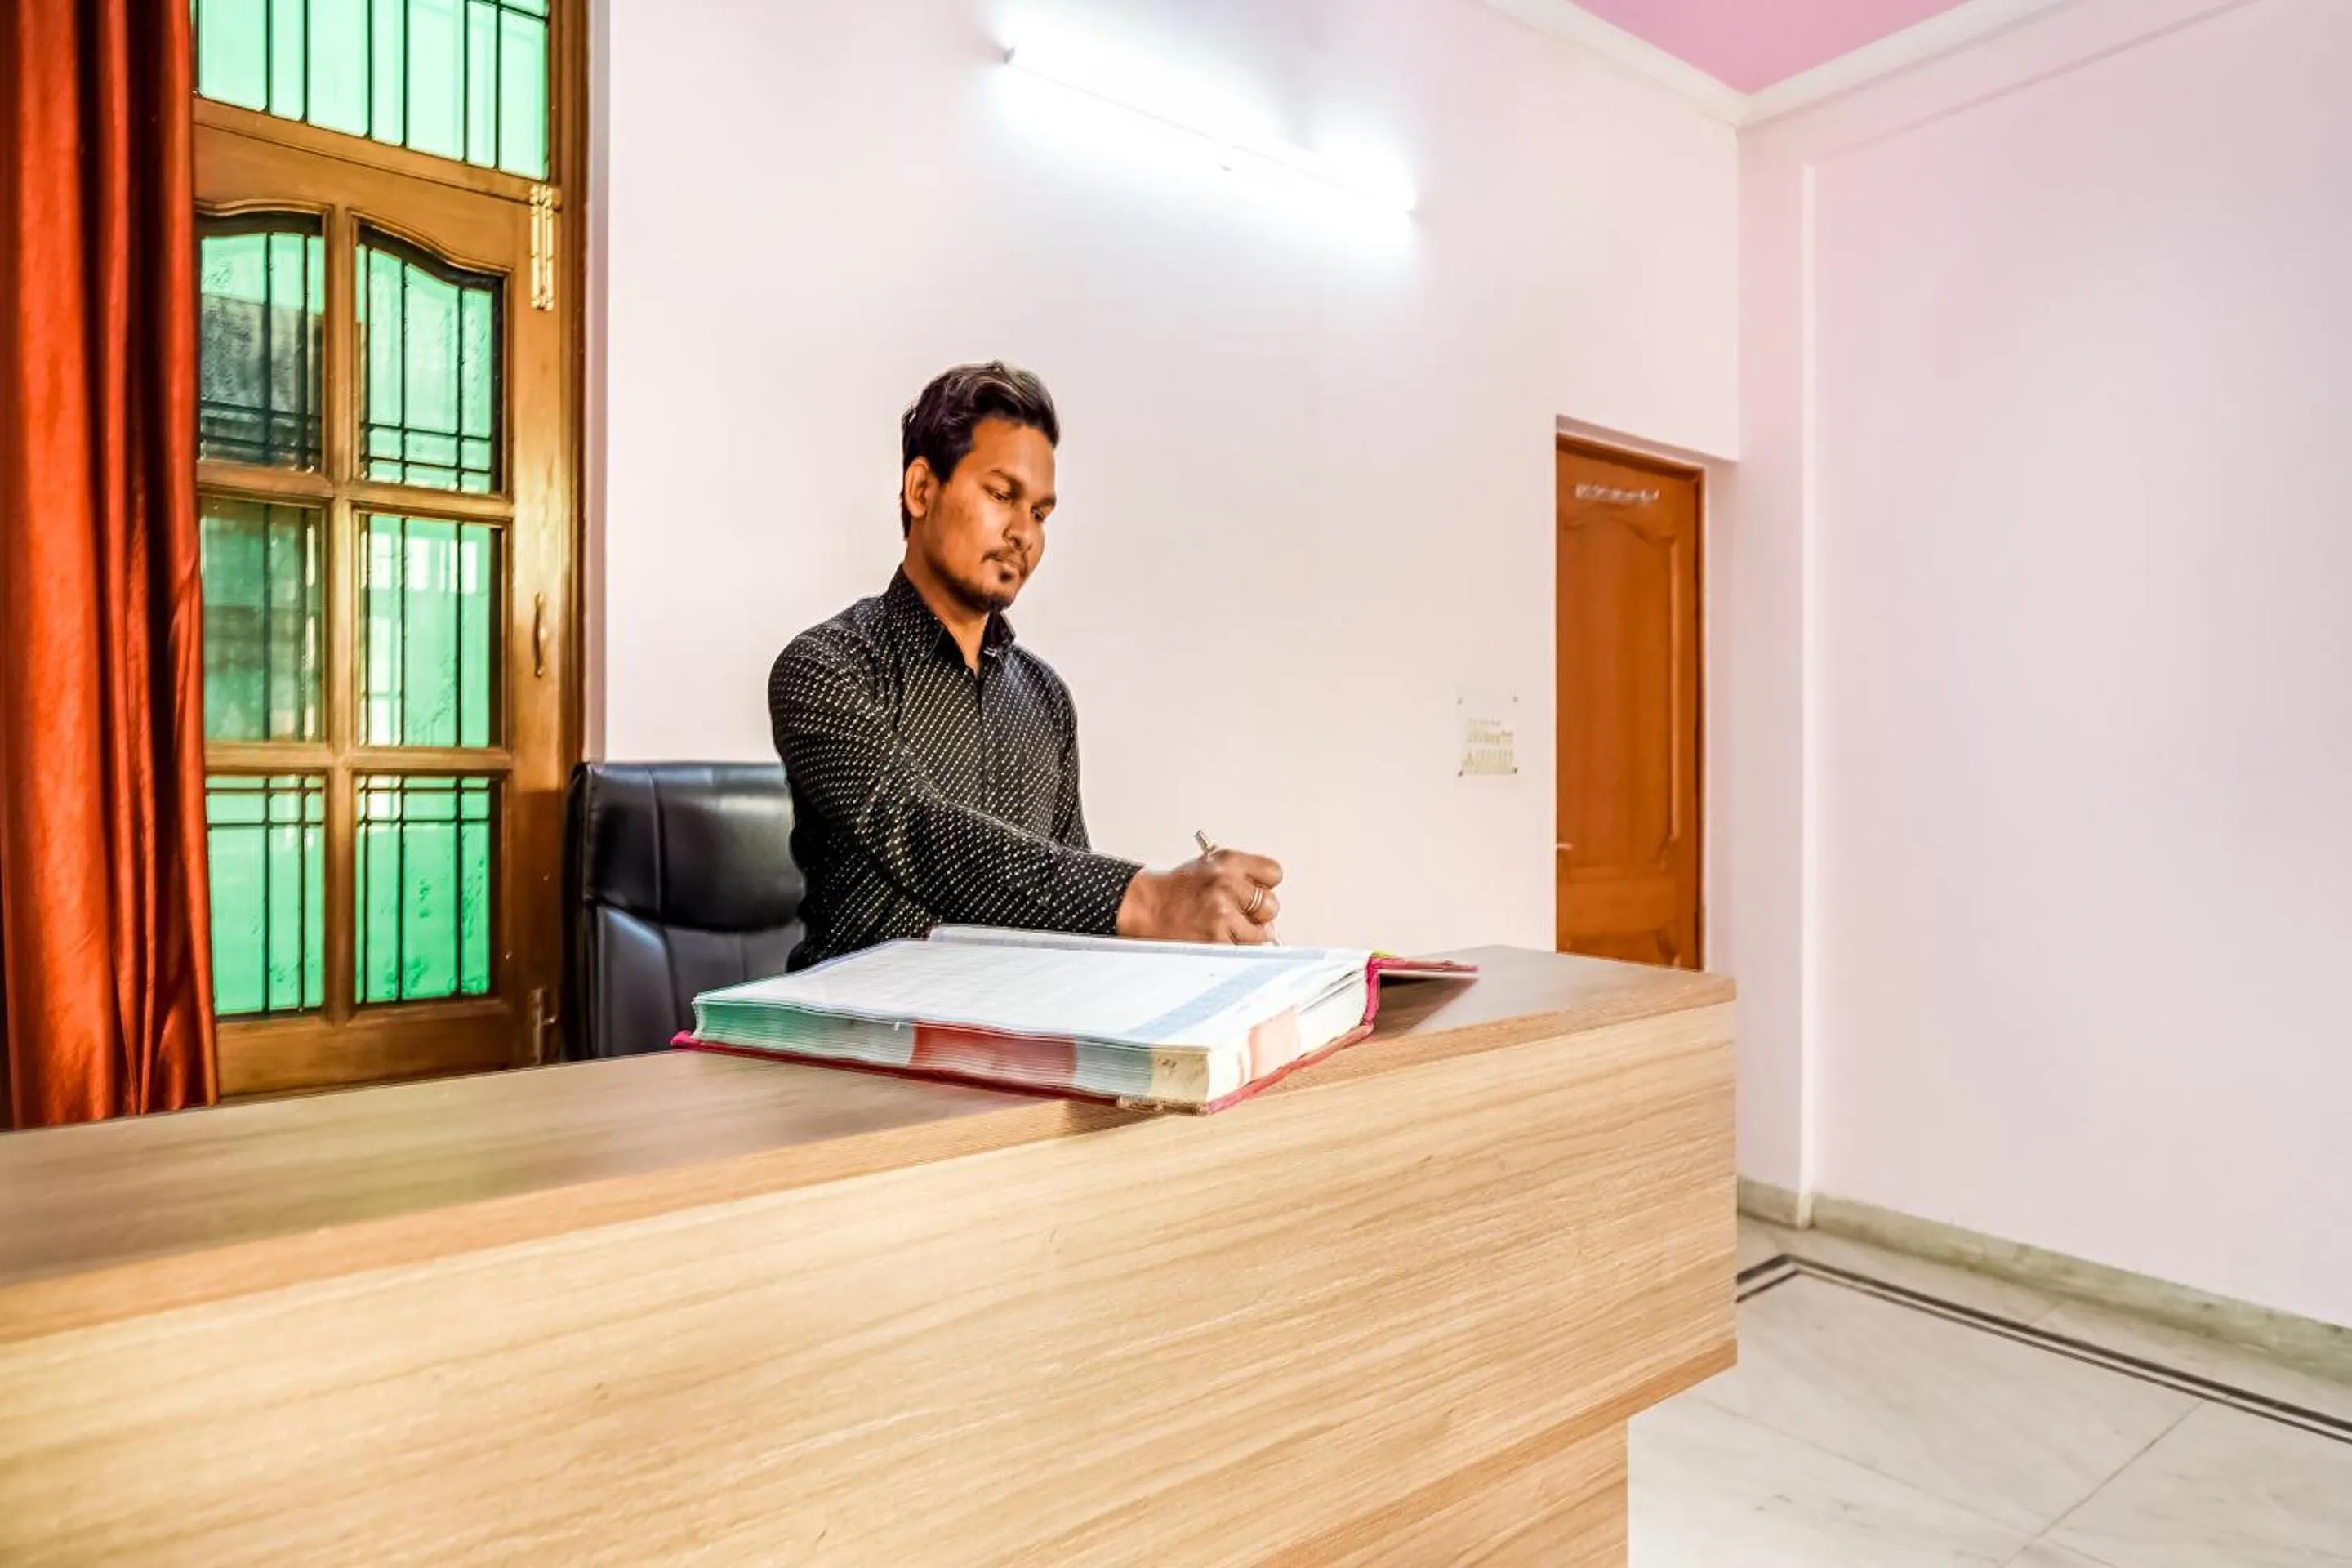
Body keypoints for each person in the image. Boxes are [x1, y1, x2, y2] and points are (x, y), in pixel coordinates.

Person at [768, 361, 1282, 970]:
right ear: (922, 489)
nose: (1023, 534)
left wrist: (1182, 944)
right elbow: (918, 833)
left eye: (1040, 513)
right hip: (853, 1038)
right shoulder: (826, 667)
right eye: (1002, 495)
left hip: (1025, 1039)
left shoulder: (1045, 696)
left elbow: (1073, 918)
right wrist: (1147, 898)